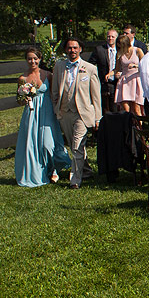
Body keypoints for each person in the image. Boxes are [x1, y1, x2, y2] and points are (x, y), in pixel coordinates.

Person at [51, 38, 102, 188]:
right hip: (64, 112)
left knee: (76, 146)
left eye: (75, 48)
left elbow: (96, 96)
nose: (72, 51)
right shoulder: (59, 66)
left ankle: (75, 180)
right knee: (75, 145)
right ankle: (86, 170)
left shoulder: (90, 68)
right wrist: (56, 108)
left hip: (82, 113)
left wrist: (97, 117)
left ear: (80, 49)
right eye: (69, 48)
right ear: (66, 50)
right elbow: (55, 90)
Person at [14, 47, 69, 186]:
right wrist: (24, 99)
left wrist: (57, 111)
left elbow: (53, 94)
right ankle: (38, 172)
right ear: (26, 60)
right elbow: (19, 100)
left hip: (47, 111)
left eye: (35, 58)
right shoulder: (23, 78)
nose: (32, 61)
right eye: (29, 58)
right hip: (31, 113)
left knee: (47, 143)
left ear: (40, 59)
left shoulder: (48, 75)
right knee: (32, 143)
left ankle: (54, 169)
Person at [113, 31, 145, 117]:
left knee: (137, 109)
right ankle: (129, 126)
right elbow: (116, 69)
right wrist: (115, 74)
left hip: (136, 80)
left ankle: (140, 127)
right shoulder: (119, 54)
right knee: (126, 109)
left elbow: (145, 65)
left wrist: (136, 66)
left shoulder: (137, 50)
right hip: (125, 81)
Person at [91, 28, 119, 112]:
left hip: (117, 83)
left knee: (116, 108)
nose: (110, 38)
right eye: (108, 36)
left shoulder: (120, 49)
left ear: (116, 38)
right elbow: (91, 63)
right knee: (105, 108)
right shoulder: (99, 50)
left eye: (112, 37)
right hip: (104, 83)